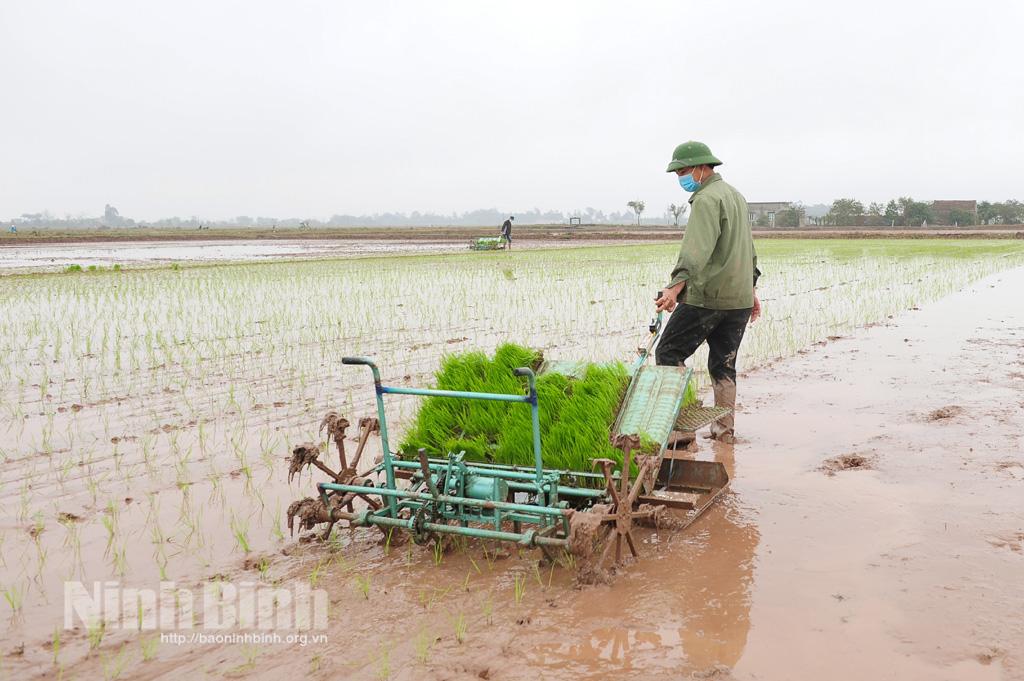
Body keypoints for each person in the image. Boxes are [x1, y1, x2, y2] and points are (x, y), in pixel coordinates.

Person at [654, 141, 761, 444]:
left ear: (702, 167)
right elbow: (748, 249)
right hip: (738, 300)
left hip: (709, 297)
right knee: (723, 365)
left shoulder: (705, 199)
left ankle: (681, 431)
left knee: (668, 353)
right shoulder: (735, 196)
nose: (681, 178)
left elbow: (696, 249)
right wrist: (751, 289)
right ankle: (724, 433)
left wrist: (675, 287)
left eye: (683, 172)